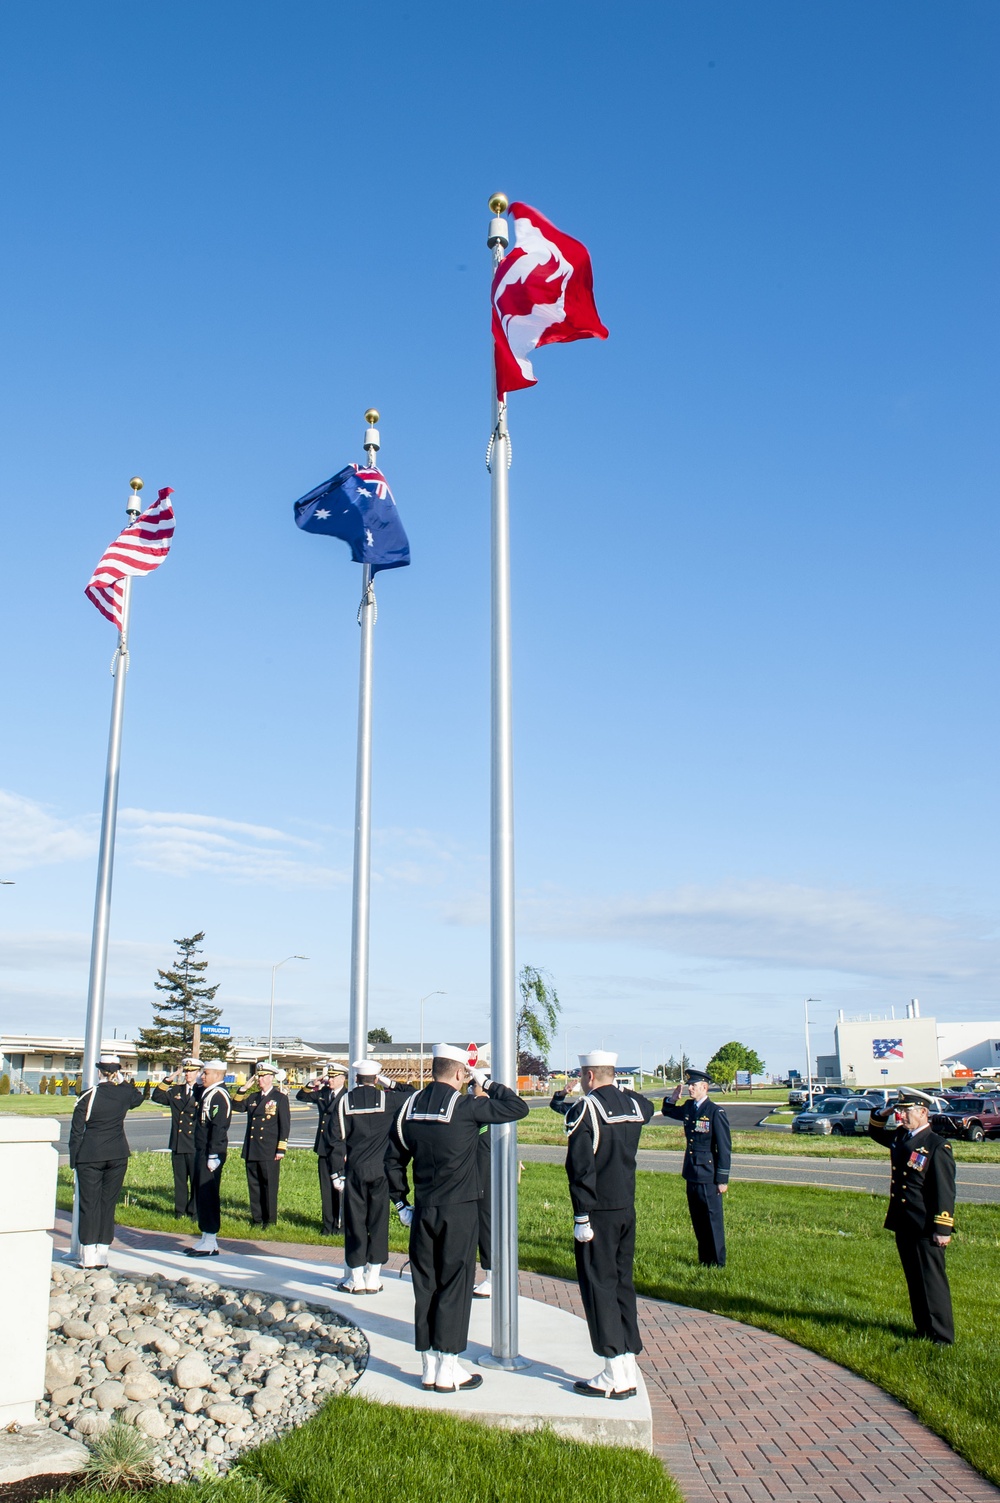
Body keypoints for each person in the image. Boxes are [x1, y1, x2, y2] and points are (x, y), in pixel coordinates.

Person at [385, 1043, 528, 1393]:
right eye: (467, 1074)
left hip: (423, 1209)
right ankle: (449, 1366)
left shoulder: (409, 1107)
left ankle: (428, 1365)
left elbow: (392, 1159)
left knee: (426, 1286)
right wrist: (487, 1081)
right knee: (455, 1285)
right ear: (461, 1073)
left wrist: (401, 1204)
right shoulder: (466, 1107)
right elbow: (517, 1107)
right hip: (460, 1208)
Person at [561, 1050, 653, 1398]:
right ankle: (627, 1362)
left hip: (597, 1212)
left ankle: (613, 1370)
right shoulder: (633, 1107)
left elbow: (580, 1168)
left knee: (598, 1287)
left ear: (588, 1076)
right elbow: (647, 1104)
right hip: (625, 1208)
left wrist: (580, 1215)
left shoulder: (585, 1108)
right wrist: (620, 1088)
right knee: (621, 1285)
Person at [867, 1087, 956, 1344]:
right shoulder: (900, 1138)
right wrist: (885, 1110)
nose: (901, 1117)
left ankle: (941, 1337)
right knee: (915, 1281)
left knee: (931, 1283)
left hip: (926, 1225)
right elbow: (874, 1130)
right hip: (904, 1221)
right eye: (900, 1111)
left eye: (906, 1112)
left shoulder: (937, 1145)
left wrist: (943, 1229)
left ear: (923, 1112)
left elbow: (944, 1190)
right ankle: (923, 1329)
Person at [327, 1059, 413, 1294]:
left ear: (356, 1078)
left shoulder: (344, 1101)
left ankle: (355, 1278)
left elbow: (335, 1138)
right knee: (378, 1222)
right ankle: (373, 1277)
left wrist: (336, 1172)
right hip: (381, 1170)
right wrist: (388, 1082)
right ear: (375, 1079)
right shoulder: (388, 1099)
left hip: (355, 1170)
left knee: (355, 1223)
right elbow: (412, 1092)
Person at [68, 1053, 144, 1268]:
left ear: (99, 1071)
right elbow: (137, 1098)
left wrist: (74, 1160)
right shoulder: (123, 1094)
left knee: (89, 1204)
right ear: (117, 1072)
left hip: (91, 1155)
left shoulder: (89, 1095)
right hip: (118, 1154)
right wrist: (125, 1083)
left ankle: (89, 1254)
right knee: (107, 1204)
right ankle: (103, 1252)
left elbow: (76, 1132)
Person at [660, 1068, 731, 1266]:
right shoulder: (690, 1107)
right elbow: (668, 1111)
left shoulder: (715, 1112)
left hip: (708, 1174)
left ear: (704, 1087)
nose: (690, 1088)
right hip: (691, 1172)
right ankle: (705, 1260)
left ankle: (718, 1262)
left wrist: (722, 1179)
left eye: (693, 1085)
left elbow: (724, 1148)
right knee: (698, 1219)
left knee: (712, 1220)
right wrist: (672, 1099)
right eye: (689, 1085)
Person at [232, 1061, 291, 1229]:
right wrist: (243, 1088)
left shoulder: (279, 1098)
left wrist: (281, 1148)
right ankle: (257, 1219)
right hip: (252, 1148)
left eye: (263, 1076)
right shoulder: (253, 1097)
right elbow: (236, 1106)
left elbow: (284, 1125)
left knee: (269, 1185)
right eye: (258, 1076)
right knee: (254, 1185)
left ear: (271, 1077)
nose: (260, 1079)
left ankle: (269, 1220)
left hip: (269, 1149)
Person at [186, 1058, 232, 1258]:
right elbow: (196, 1095)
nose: (202, 1076)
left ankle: (211, 1239)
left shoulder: (219, 1095)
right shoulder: (208, 1092)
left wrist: (214, 1154)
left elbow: (218, 1126)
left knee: (209, 1194)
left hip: (211, 1151)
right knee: (201, 1194)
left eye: (206, 1073)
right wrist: (197, 1083)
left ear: (217, 1075)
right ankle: (205, 1235)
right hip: (202, 1149)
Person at [297, 1063, 346, 1235]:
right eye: (329, 1076)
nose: (329, 1080)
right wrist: (312, 1083)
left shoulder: (347, 1096)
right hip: (324, 1147)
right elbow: (302, 1096)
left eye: (333, 1077)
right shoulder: (324, 1093)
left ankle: (340, 1226)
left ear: (342, 1078)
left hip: (340, 1150)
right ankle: (327, 1225)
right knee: (326, 1189)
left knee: (340, 1190)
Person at [151, 1058, 203, 1218]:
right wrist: (170, 1078)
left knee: (195, 1180)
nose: (188, 1074)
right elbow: (157, 1096)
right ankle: (180, 1211)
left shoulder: (202, 1092)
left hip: (194, 1144)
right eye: (186, 1071)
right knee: (180, 1181)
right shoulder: (176, 1091)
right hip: (178, 1143)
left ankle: (194, 1211)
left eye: (191, 1071)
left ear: (198, 1072)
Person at [472, 1123, 492, 1298]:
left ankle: (492, 1276)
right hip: (477, 1176)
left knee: (487, 1222)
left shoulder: (490, 1113)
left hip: (485, 1176)